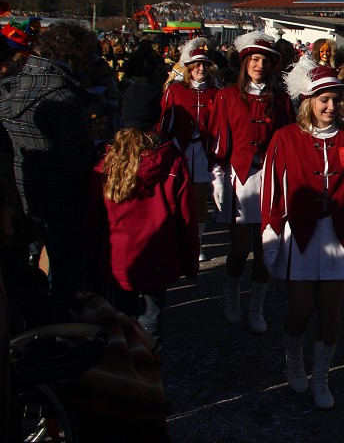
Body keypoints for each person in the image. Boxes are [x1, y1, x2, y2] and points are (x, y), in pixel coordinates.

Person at [261, 57, 344, 409]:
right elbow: (273, 192)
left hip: (337, 235)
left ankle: (321, 376)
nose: (331, 106)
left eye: (336, 99)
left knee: (331, 310)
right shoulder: (285, 138)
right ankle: (295, 361)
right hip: (301, 235)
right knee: (300, 308)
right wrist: (270, 236)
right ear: (308, 102)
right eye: (323, 99)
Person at [85, 82, 199, 349]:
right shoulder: (171, 160)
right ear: (157, 117)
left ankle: (125, 374)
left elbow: (93, 216)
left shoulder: (107, 160)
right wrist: (189, 261)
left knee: (120, 321)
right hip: (157, 259)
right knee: (151, 323)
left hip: (118, 259)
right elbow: (185, 218)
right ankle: (149, 372)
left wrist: (91, 257)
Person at [0, 22, 96, 302]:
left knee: (28, 270)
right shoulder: (62, 98)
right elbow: (80, 164)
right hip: (63, 202)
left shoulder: (13, 87)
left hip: (24, 194)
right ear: (75, 57)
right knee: (66, 281)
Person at [209, 31, 295, 333]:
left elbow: (290, 142)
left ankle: (256, 307)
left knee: (265, 249)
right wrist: (218, 177)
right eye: (254, 59)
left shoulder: (281, 101)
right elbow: (219, 141)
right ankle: (232, 298)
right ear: (244, 62)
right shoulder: (226, 97)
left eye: (264, 60)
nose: (259, 65)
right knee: (239, 247)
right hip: (240, 179)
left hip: (270, 179)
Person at [159, 37, 221, 262]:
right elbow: (165, 123)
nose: (201, 69)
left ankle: (197, 242)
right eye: (196, 65)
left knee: (200, 199)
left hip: (203, 153)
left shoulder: (216, 94)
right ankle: (175, 241)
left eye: (205, 65)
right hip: (180, 152)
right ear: (189, 68)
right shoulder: (175, 91)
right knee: (175, 197)